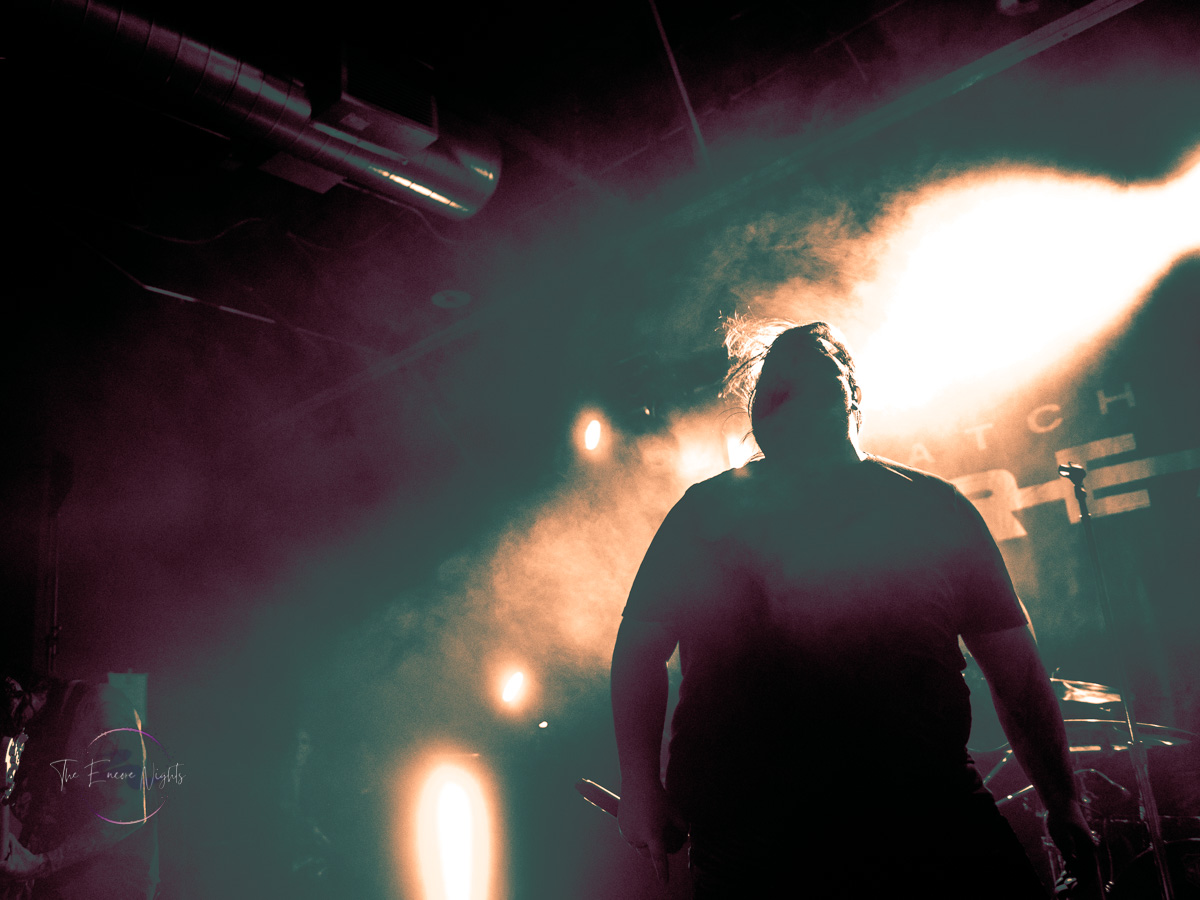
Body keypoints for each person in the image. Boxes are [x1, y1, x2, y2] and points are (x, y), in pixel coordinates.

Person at [610, 322, 1101, 898]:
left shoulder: (933, 506)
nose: (792, 394)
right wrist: (640, 788)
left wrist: (1063, 800)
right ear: (755, 413)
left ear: (852, 395)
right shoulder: (704, 513)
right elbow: (639, 650)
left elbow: (1014, 665)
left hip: (927, 811)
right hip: (752, 830)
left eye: (816, 376)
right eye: (775, 386)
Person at [0, 674, 159, 900]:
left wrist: (44, 863)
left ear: (30, 696)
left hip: (114, 885)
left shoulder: (103, 709)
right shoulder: (46, 727)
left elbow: (131, 809)